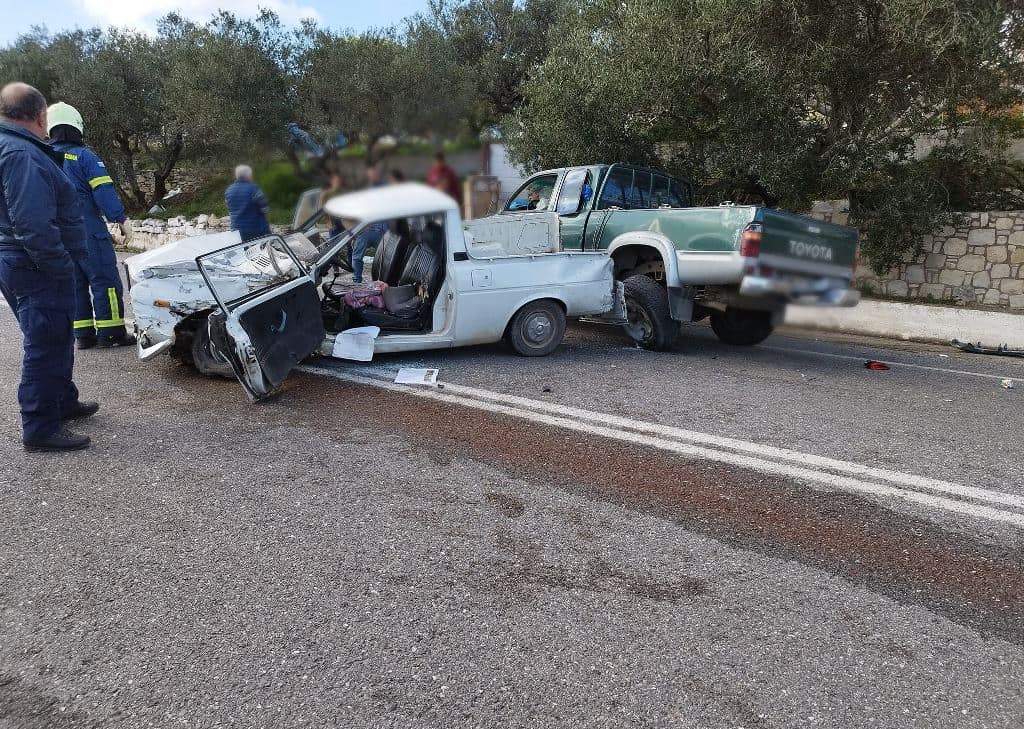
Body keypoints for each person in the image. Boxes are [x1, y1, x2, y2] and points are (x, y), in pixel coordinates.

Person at [0, 83, 96, 452]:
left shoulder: (13, 148)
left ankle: (62, 401)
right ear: (40, 117)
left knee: (56, 335)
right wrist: (59, 265)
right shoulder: (23, 155)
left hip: (20, 260)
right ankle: (40, 427)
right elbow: (33, 224)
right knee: (45, 342)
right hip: (35, 265)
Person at [47, 102, 136, 349]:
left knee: (74, 283)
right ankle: (112, 333)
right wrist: (121, 219)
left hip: (58, 234)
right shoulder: (84, 157)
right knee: (105, 280)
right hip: (87, 230)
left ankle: (83, 336)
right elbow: (103, 192)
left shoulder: (44, 158)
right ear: (76, 126)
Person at [349, 163, 387, 283]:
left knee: (384, 258)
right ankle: (356, 281)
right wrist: (355, 232)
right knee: (356, 257)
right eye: (370, 173)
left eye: (375, 172)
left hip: (381, 230)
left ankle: (382, 282)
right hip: (364, 230)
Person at [224, 164, 271, 241]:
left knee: (244, 252)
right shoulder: (254, 188)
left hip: (236, 231)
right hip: (256, 229)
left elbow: (229, 209)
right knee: (262, 251)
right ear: (248, 175)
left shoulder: (228, 190)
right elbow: (265, 208)